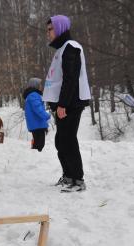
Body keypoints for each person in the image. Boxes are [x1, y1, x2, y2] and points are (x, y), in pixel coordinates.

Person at [43, 15, 91, 192]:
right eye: (47, 30)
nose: (48, 33)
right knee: (61, 140)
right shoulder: (62, 48)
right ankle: (68, 176)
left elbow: (71, 79)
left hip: (71, 103)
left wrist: (63, 104)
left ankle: (78, 180)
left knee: (68, 140)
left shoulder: (71, 47)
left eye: (51, 29)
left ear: (60, 28)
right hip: (63, 104)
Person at [23, 78, 51, 152]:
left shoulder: (33, 95)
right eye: (40, 84)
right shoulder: (33, 95)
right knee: (39, 145)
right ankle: (34, 159)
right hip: (37, 124)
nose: (41, 86)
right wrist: (47, 116)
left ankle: (35, 159)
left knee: (38, 144)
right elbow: (38, 109)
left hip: (37, 124)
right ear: (36, 85)